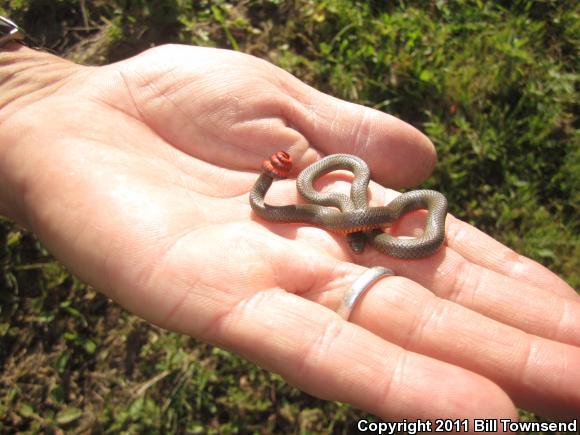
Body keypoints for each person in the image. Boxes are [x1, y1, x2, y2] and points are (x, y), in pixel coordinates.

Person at [0, 41, 578, 422]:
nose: (360, 239)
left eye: (360, 236)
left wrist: (19, 79)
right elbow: (293, 205)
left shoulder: (353, 207)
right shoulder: (324, 201)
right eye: (360, 236)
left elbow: (362, 212)